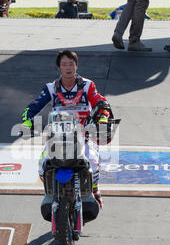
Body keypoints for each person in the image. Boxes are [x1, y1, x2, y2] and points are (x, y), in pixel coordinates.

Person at [20, 50, 114, 214]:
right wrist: (27, 121)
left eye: (71, 64)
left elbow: (101, 102)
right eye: (64, 64)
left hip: (83, 137)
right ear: (59, 67)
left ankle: (94, 191)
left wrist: (103, 119)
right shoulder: (51, 88)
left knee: (92, 162)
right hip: (56, 139)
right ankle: (50, 193)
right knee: (42, 165)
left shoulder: (87, 85)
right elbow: (33, 106)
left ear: (76, 65)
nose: (68, 67)